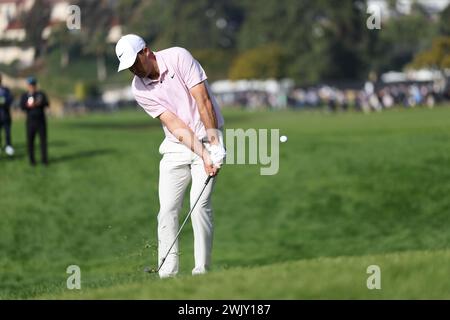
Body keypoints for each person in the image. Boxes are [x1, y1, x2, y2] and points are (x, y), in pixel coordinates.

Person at [115, 34, 226, 278]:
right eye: (129, 67)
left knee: (199, 205)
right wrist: (202, 153)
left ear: (146, 51)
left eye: (135, 63)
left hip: (209, 135)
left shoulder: (178, 56)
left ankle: (202, 271)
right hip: (177, 145)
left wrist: (214, 146)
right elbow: (174, 125)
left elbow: (203, 100)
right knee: (166, 210)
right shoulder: (138, 89)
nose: (133, 70)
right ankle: (167, 274)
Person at [20, 77, 49, 166]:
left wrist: (39, 103)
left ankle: (44, 160)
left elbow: (47, 103)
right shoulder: (25, 95)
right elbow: (22, 107)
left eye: (33, 85)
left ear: (35, 85)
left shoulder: (41, 94)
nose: (31, 86)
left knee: (43, 142)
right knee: (30, 142)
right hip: (30, 122)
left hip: (41, 121)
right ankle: (32, 161)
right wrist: (29, 105)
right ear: (28, 86)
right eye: (30, 85)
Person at [0, 73, 15, 157]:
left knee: (7, 132)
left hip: (5, 115)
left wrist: (4, 102)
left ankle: (8, 146)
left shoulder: (6, 90)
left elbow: (10, 99)